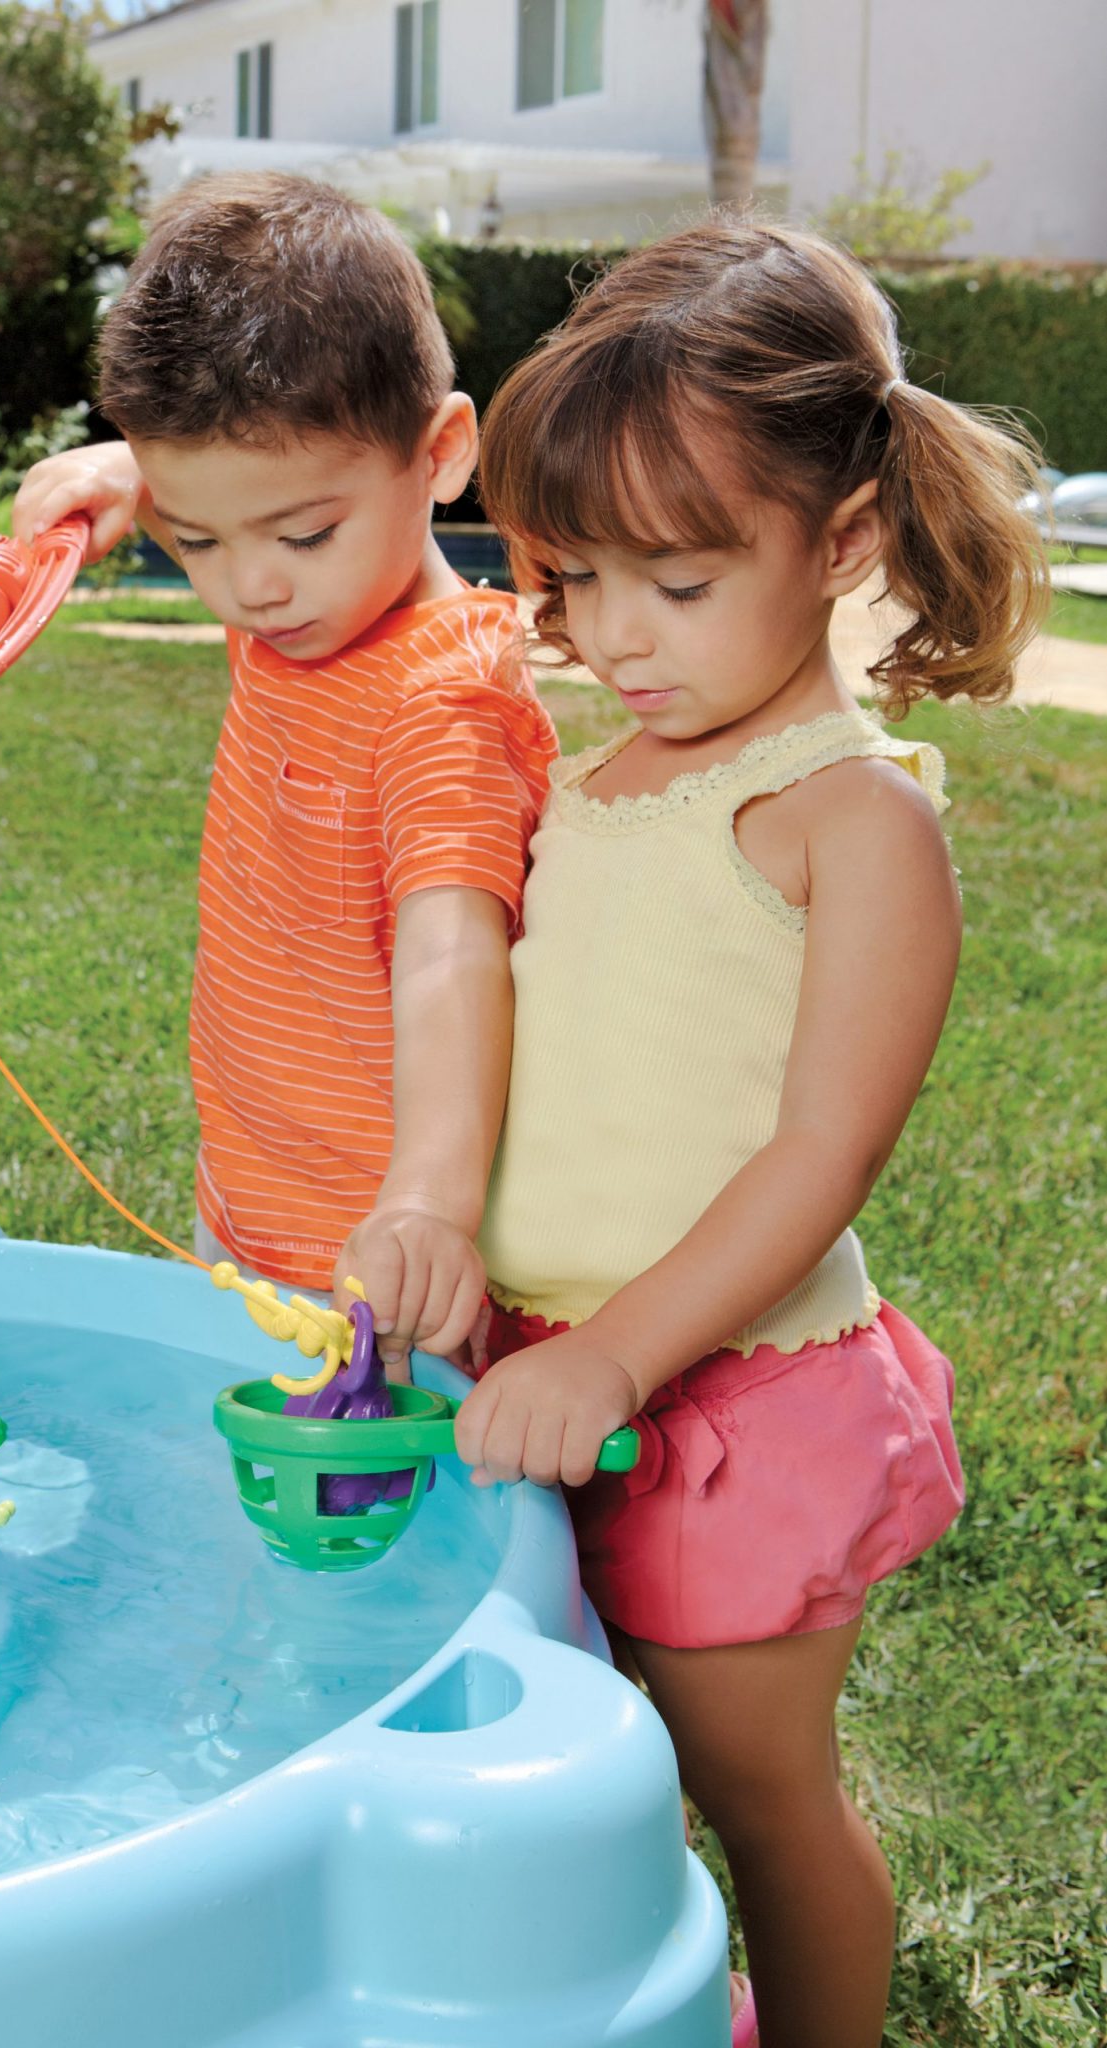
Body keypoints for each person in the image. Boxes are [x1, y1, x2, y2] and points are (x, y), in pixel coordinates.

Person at [462, 221, 1048, 2048]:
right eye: (577, 576)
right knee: (594, 1759)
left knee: (755, 1789)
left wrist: (625, 1349)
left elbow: (815, 1159)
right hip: (548, 1369)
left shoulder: (844, 817)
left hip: (731, 1399)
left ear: (843, 542)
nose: (614, 634)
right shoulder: (585, 775)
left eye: (679, 581)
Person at [13, 172, 557, 1364]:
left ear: (443, 452)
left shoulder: (443, 700)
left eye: (299, 533)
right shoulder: (304, 599)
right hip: (251, 1192)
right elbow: (234, 495)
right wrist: (122, 478)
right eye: (192, 539)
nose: (245, 587)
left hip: (384, 1260)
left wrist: (425, 1203)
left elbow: (452, 954)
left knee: (381, 1524)